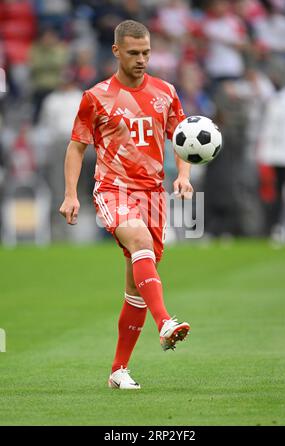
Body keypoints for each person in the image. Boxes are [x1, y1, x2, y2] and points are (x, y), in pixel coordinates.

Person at [59, 20, 193, 389]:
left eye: (146, 52)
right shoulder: (96, 96)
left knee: (135, 289)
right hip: (113, 188)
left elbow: (182, 139)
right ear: (116, 51)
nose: (141, 59)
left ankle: (118, 370)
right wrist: (71, 193)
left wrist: (183, 175)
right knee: (140, 242)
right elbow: (76, 145)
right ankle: (165, 320)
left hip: (153, 194)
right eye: (133, 53)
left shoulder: (166, 92)